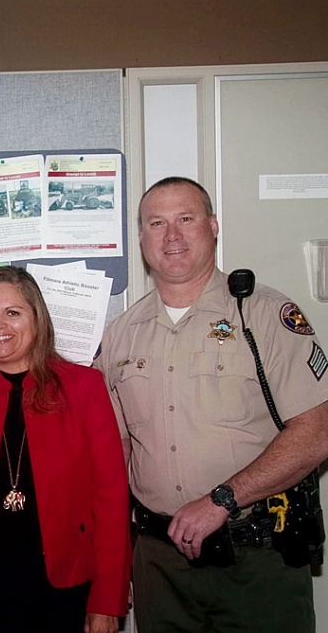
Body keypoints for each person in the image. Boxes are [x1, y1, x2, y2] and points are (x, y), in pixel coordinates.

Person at [95, 177, 328, 632]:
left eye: (186, 219)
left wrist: (222, 500)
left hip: (255, 557)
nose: (172, 235)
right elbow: (115, 451)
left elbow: (316, 433)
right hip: (160, 564)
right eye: (156, 223)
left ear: (213, 226)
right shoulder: (122, 333)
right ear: (141, 238)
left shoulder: (264, 315)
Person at [0, 266, 130, 633]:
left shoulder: (84, 388)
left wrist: (107, 599)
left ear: (37, 319)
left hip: (66, 586)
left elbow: (111, 500)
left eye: (12, 312)